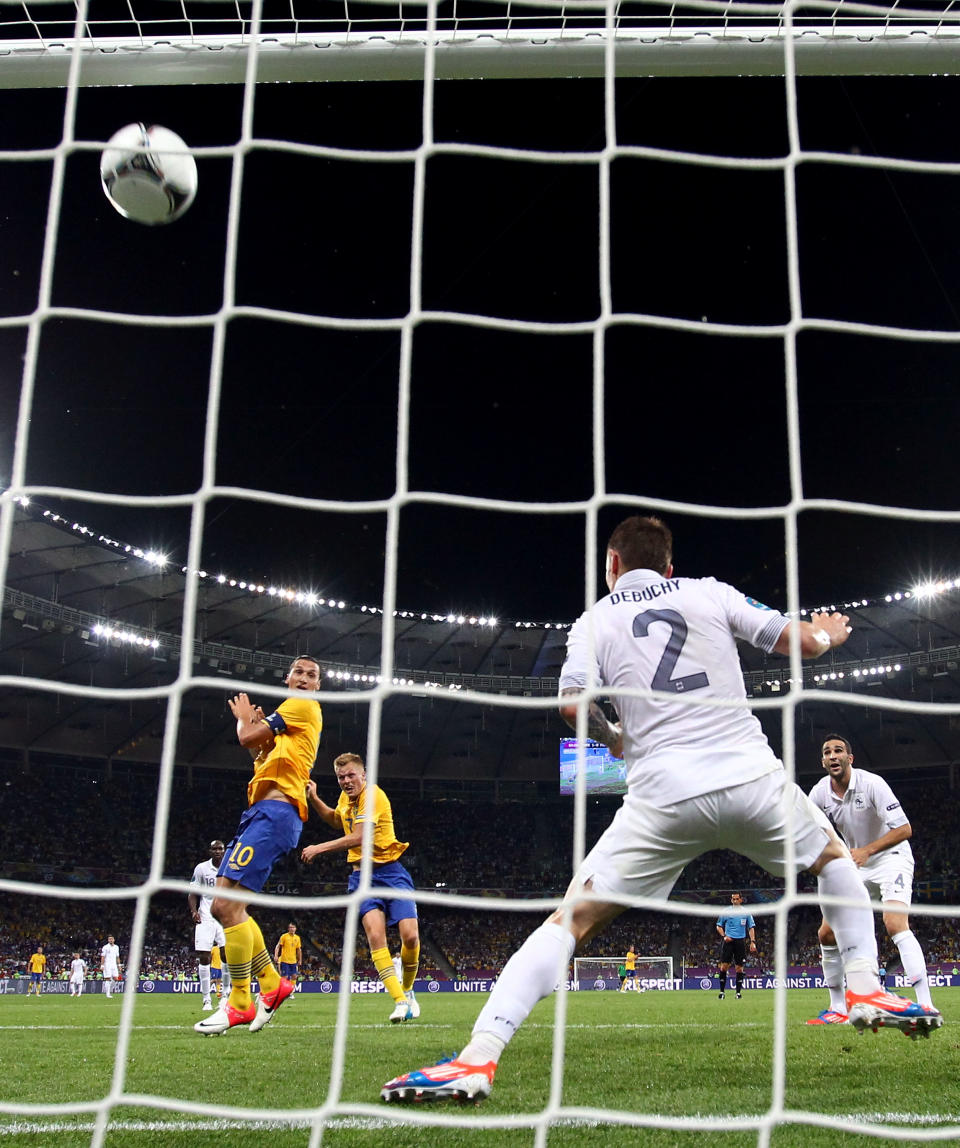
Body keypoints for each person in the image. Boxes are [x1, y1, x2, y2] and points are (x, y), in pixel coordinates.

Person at [381, 514, 942, 1104]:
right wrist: (828, 632)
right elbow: (800, 642)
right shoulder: (708, 591)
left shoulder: (595, 619)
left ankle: (478, 1057)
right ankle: (862, 985)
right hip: (749, 775)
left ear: (612, 565)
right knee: (833, 861)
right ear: (669, 566)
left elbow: (573, 707)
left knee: (570, 921)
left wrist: (618, 741)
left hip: (661, 794)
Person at [194, 654, 323, 1036]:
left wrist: (245, 719)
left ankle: (239, 1002)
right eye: (298, 672)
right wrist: (255, 729)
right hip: (260, 813)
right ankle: (271, 983)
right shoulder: (287, 732)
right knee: (225, 905)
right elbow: (258, 753)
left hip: (276, 815)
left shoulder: (302, 706)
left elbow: (247, 737)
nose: (303, 678)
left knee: (224, 906)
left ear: (317, 686)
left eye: (311, 675)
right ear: (287, 678)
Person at [805, 734, 935, 1025]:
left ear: (850, 759)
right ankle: (837, 1008)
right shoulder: (819, 794)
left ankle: (925, 1003)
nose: (833, 755)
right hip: (855, 863)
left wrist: (866, 851)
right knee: (826, 933)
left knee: (894, 923)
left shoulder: (872, 783)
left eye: (839, 751)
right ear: (823, 761)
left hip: (891, 857)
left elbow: (904, 828)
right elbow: (809, 829)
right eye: (827, 752)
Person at [301, 751, 421, 1024]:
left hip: (391, 872)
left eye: (351, 775)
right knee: (375, 935)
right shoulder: (346, 798)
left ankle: (409, 991)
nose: (346, 781)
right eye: (341, 777)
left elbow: (360, 835)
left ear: (363, 775)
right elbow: (337, 820)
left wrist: (320, 847)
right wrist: (315, 799)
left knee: (411, 937)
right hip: (361, 878)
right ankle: (400, 1002)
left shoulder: (373, 796)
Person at [189, 839, 231, 1012]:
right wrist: (193, 911)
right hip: (206, 916)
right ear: (210, 851)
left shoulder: (230, 866)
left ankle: (226, 994)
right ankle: (206, 999)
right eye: (214, 849)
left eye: (220, 849)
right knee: (204, 956)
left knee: (226, 954)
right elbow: (193, 893)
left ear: (224, 850)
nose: (217, 851)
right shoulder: (201, 868)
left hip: (224, 917)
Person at [716, 892, 756, 1000]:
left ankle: (738, 993)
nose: (735, 901)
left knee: (739, 968)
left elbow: (751, 927)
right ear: (731, 900)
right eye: (733, 899)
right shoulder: (726, 912)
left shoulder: (746, 912)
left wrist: (753, 942)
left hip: (740, 942)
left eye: (737, 899)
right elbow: (718, 926)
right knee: (724, 967)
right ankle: (722, 992)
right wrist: (724, 936)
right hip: (728, 941)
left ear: (741, 900)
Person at [274, 922, 302, 1003]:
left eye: (293, 927)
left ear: (295, 928)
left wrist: (300, 959)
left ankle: (291, 993)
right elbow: (278, 946)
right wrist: (276, 955)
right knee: (285, 978)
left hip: (293, 961)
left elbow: (299, 949)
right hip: (285, 960)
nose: (291, 929)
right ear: (288, 929)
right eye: (290, 927)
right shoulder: (284, 936)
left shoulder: (297, 938)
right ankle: (282, 994)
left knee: (294, 976)